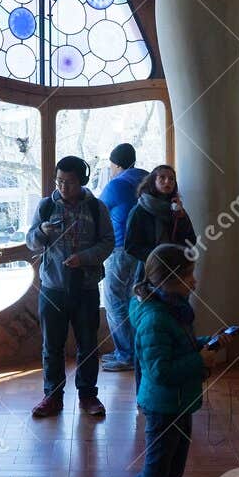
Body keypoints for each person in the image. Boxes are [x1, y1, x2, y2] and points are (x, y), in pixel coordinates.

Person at [99, 244, 219, 477]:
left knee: (171, 471)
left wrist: (205, 344)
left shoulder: (174, 307)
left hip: (179, 401)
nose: (194, 281)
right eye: (187, 275)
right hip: (163, 404)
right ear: (168, 280)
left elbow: (178, 348)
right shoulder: (155, 317)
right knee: (156, 469)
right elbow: (161, 371)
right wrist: (199, 360)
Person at [26, 155, 115, 419]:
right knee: (51, 346)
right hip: (52, 287)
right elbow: (31, 241)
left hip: (86, 287)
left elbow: (109, 242)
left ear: (82, 181)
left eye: (70, 182)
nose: (63, 187)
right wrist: (41, 230)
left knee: (88, 344)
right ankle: (52, 396)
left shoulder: (97, 208)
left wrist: (84, 258)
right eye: (59, 181)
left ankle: (88, 395)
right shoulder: (45, 207)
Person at [99, 143, 149, 373]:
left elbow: (98, 210)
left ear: (116, 165)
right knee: (134, 299)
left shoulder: (116, 184)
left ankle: (126, 354)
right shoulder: (146, 178)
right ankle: (134, 351)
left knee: (114, 301)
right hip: (145, 250)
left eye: (111, 166)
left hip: (120, 249)